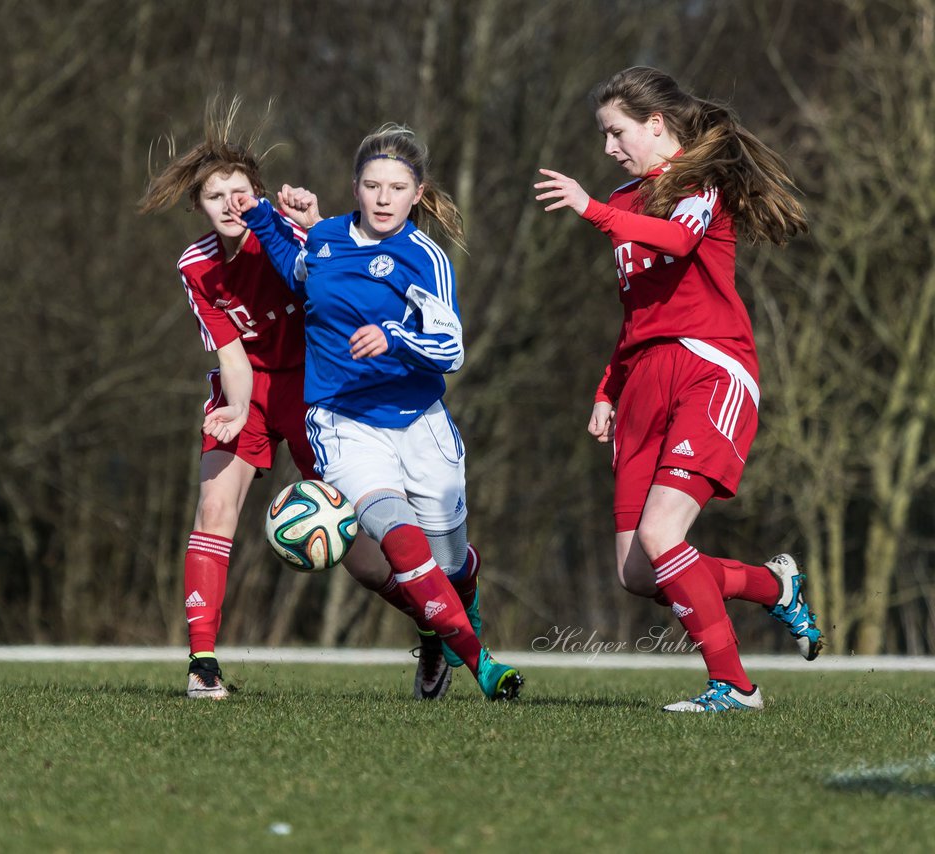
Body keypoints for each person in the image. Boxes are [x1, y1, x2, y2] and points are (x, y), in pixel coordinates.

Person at [138, 102, 469, 700]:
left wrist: (312, 221)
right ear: (198, 207)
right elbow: (233, 356)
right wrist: (237, 410)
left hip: (321, 394)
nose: (229, 205)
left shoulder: (293, 238)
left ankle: (431, 628)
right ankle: (203, 664)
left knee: (367, 562)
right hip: (250, 391)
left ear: (257, 196)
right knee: (213, 510)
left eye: (240, 194)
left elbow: (344, 255)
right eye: (215, 197)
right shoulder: (196, 266)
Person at [534, 66, 823, 712]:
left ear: (655, 124)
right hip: (643, 384)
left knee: (664, 537)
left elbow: (679, 238)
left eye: (617, 132)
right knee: (637, 570)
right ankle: (775, 589)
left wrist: (593, 210)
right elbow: (640, 310)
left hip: (708, 370)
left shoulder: (700, 183)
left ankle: (734, 686)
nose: (609, 147)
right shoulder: (624, 198)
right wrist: (607, 388)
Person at [232, 123, 523, 702]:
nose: (384, 197)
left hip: (419, 422)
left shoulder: (425, 258)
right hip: (341, 423)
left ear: (418, 193)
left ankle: (439, 626)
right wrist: (262, 217)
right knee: (397, 535)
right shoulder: (326, 238)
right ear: (355, 189)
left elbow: (452, 349)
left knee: (447, 564)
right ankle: (483, 665)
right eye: (372, 185)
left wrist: (393, 337)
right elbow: (298, 269)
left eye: (396, 187)